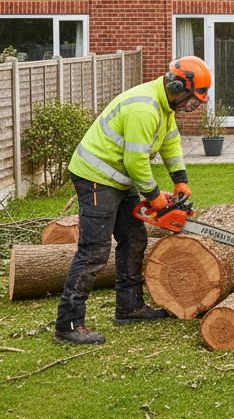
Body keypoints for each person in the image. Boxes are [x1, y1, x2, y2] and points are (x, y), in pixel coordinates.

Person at [53, 56, 211, 345]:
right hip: (95, 177)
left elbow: (170, 143)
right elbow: (136, 161)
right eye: (192, 98)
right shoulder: (144, 107)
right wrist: (155, 198)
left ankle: (129, 308)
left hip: (118, 177)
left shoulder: (164, 107)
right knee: (94, 250)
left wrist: (180, 181)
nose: (193, 104)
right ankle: (68, 324)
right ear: (177, 87)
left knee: (134, 238)